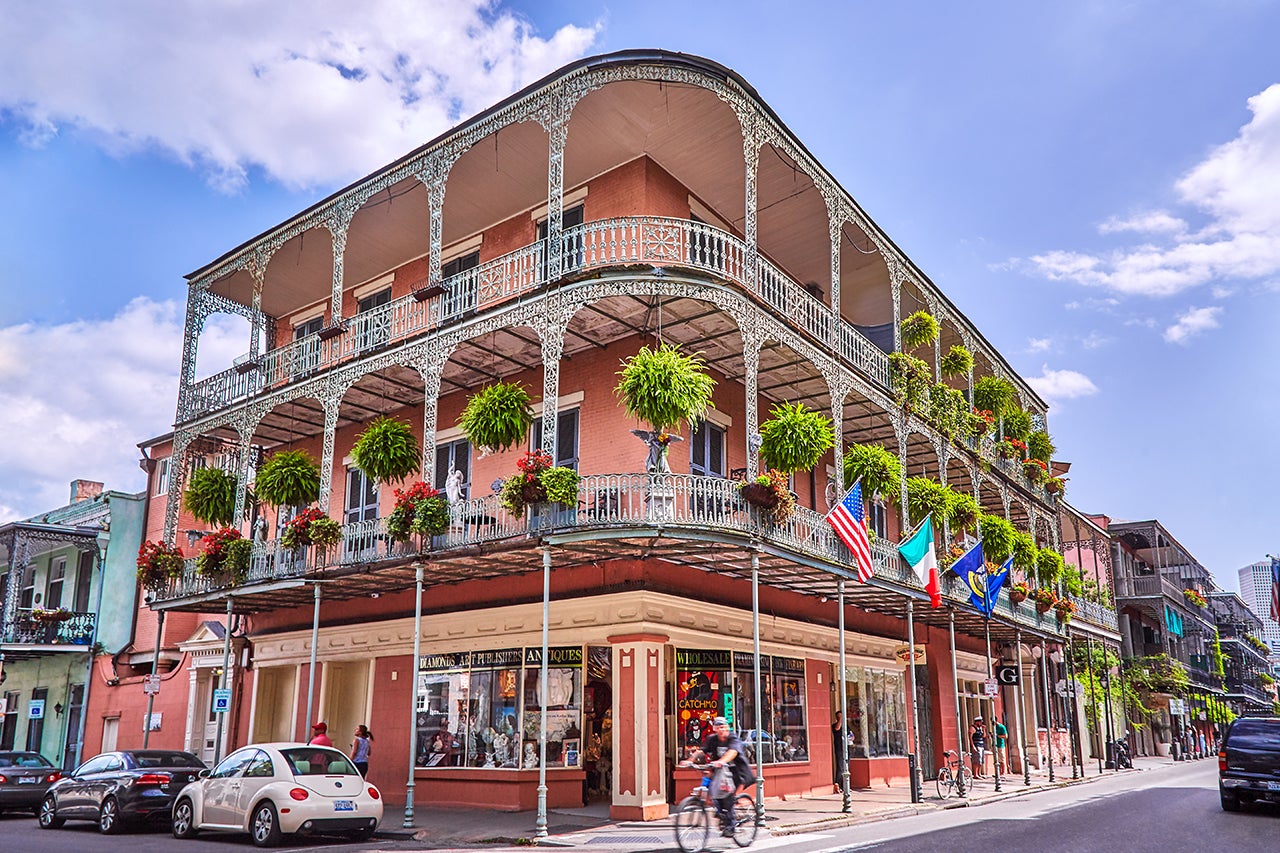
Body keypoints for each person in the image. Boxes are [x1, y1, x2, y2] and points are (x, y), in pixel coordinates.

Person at [681, 717, 755, 838]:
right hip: (720, 772)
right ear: (714, 728)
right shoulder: (712, 739)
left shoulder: (733, 738)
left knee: (727, 797)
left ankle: (731, 825)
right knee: (713, 791)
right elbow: (702, 751)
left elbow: (733, 752)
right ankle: (722, 814)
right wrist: (690, 760)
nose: (721, 730)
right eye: (718, 727)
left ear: (727, 728)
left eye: (723, 727)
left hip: (736, 773)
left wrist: (721, 761)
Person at [831, 710, 847, 785]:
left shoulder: (846, 726)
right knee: (840, 766)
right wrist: (840, 720)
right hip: (839, 748)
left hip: (846, 748)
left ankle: (845, 784)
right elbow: (837, 728)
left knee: (846, 766)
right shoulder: (834, 725)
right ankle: (838, 783)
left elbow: (851, 734)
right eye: (839, 716)